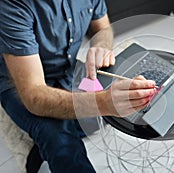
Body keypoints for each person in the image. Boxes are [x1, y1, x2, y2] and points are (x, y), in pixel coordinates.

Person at [0, 0, 156, 172]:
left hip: (70, 70)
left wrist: (101, 47)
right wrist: (102, 103)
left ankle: (44, 142)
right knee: (61, 143)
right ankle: (46, 140)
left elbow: (103, 28)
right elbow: (34, 95)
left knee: (112, 109)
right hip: (22, 84)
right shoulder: (12, 5)